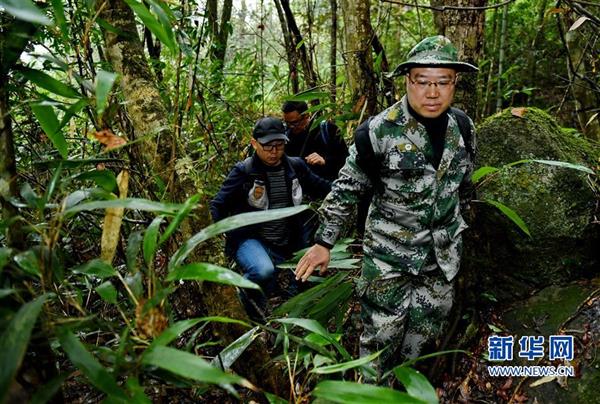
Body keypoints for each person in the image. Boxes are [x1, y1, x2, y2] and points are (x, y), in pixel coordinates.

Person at [294, 36, 478, 380]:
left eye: (443, 82)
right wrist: (324, 243)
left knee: (421, 344)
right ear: (408, 80)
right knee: (379, 347)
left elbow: (462, 186)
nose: (433, 92)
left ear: (455, 83)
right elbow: (348, 187)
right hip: (389, 259)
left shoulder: (463, 128)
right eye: (423, 81)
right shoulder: (377, 132)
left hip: (440, 260)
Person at [210, 117, 331, 319]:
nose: (274, 152)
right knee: (263, 271)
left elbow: (324, 188)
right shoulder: (244, 171)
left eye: (279, 145)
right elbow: (217, 205)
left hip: (286, 241)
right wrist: (212, 238)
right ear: (254, 143)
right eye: (267, 146)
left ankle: (286, 321)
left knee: (308, 275)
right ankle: (242, 317)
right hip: (250, 239)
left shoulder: (295, 167)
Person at [282, 100, 348, 182]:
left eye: (294, 123)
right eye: (287, 123)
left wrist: (325, 161)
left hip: (327, 185)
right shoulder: (286, 136)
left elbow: (345, 161)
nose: (291, 127)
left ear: (306, 116)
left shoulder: (328, 130)